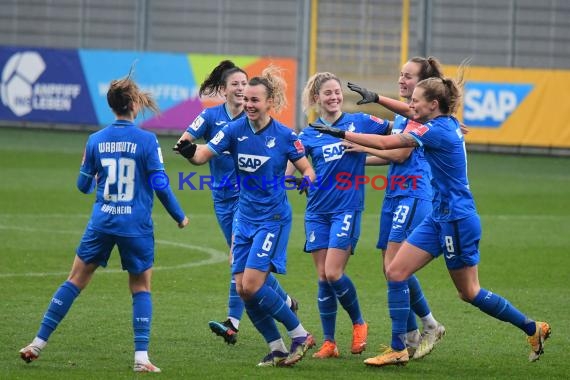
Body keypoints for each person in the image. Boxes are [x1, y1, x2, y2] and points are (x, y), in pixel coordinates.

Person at [312, 66, 551, 367]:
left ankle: (533, 327)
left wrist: (341, 132)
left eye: (415, 101)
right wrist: (379, 100)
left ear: (432, 105)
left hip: (456, 220)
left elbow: (389, 144)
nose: (410, 106)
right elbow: (407, 118)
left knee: (469, 292)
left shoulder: (436, 131)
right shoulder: (442, 121)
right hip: (439, 216)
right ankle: (399, 347)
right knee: (396, 271)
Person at [19, 71, 189, 373]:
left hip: (102, 222)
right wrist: (179, 216)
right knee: (140, 286)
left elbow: (82, 186)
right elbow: (161, 184)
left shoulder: (95, 140)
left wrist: (97, 177)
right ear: (134, 105)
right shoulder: (147, 141)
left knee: (75, 279)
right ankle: (141, 358)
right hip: (135, 226)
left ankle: (36, 343)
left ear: (112, 107)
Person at [174, 66, 317, 367]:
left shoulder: (285, 136)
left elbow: (307, 168)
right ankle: (277, 347)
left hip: (272, 219)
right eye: (247, 99)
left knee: (251, 285)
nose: (249, 105)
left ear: (269, 103)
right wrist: (188, 150)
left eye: (255, 100)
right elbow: (201, 157)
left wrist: (307, 179)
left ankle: (300, 335)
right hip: (244, 217)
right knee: (243, 288)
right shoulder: (232, 130)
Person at [343, 57, 448, 359]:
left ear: (424, 85)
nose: (402, 80)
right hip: (395, 192)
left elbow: (400, 154)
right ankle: (420, 329)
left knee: (395, 267)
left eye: (408, 76)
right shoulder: (406, 114)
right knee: (390, 268)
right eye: (400, 75)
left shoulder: (421, 115)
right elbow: (389, 155)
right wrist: (356, 161)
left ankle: (404, 342)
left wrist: (362, 147)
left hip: (414, 193)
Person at [288, 72, 391, 359]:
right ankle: (329, 343)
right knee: (323, 277)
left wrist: (369, 153)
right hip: (317, 211)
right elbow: (290, 168)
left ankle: (359, 323)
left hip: (346, 207)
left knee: (334, 272)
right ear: (316, 99)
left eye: (337, 92)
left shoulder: (359, 121)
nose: (334, 97)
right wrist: (296, 179)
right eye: (328, 93)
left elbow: (399, 132)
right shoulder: (308, 133)